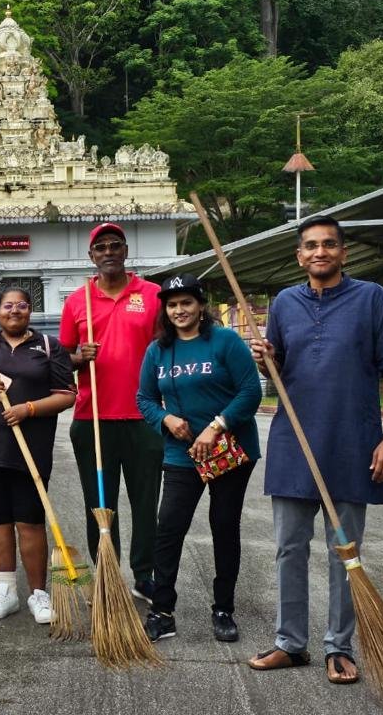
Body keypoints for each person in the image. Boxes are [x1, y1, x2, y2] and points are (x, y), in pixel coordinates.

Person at [246, 216, 383, 685]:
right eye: (311, 246)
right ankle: (290, 644)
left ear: (343, 252)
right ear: (299, 255)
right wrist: (268, 359)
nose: (320, 252)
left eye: (329, 244)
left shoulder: (373, 298)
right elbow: (283, 370)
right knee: (288, 549)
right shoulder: (284, 303)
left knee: (345, 550)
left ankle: (339, 646)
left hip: (354, 442)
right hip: (293, 441)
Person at [136, 274, 261, 643]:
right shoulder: (158, 350)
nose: (179, 310)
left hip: (229, 450)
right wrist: (166, 419)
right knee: (169, 528)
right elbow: (143, 398)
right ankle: (162, 610)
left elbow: (250, 390)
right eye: (172, 305)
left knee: (224, 527)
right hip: (183, 452)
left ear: (200, 305)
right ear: (165, 309)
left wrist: (217, 426)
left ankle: (223, 608)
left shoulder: (223, 341)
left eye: (186, 302)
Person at [0, 287, 75, 623]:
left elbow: (67, 396)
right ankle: (4, 589)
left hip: (31, 450)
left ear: (30, 311)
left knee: (30, 520)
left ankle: (39, 593)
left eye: (22, 305)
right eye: (8, 306)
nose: (15, 311)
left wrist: (28, 409)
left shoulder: (49, 347)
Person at [58, 222, 164, 602]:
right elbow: (61, 361)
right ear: (92, 256)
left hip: (145, 418)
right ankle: (107, 570)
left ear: (125, 250)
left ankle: (143, 574)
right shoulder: (77, 301)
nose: (108, 252)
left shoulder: (151, 295)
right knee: (100, 504)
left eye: (114, 245)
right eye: (100, 247)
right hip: (93, 418)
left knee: (145, 504)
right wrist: (76, 357)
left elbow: (166, 350)